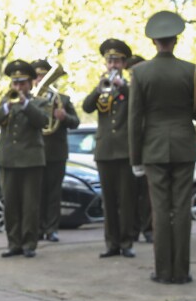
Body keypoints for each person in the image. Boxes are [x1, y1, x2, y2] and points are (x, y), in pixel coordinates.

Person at [128, 11, 196, 284]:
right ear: (175, 40)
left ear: (154, 43)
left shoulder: (140, 73)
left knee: (161, 211)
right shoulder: (191, 70)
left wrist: (135, 157)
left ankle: (163, 271)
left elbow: (134, 119)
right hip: (183, 148)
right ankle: (182, 271)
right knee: (182, 209)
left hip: (153, 150)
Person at [81, 39, 137, 258]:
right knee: (109, 201)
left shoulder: (131, 88)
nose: (112, 65)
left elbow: (139, 106)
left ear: (124, 64)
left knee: (126, 200)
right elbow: (86, 106)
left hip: (124, 150)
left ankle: (126, 242)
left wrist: (125, 88)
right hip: (105, 151)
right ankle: (111, 243)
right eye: (109, 61)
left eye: (116, 61)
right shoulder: (102, 87)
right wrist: (98, 89)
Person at [0, 60, 48, 258]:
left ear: (30, 83)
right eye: (15, 83)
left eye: (22, 83)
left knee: (30, 205)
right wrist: (6, 108)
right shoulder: (4, 102)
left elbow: (43, 121)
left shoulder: (39, 101)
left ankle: (29, 244)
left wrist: (25, 104)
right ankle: (13, 243)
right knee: (10, 204)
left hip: (31, 160)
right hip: (8, 159)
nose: (18, 87)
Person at [31, 58, 80, 243]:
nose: (40, 80)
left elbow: (75, 123)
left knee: (53, 193)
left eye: (44, 76)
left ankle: (52, 229)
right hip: (35, 152)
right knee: (36, 193)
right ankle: (36, 229)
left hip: (56, 152)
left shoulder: (63, 99)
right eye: (37, 76)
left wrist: (64, 116)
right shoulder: (29, 100)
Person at [126, 54, 153, 244]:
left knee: (148, 194)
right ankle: (132, 229)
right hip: (127, 149)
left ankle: (148, 228)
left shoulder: (150, 90)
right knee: (131, 194)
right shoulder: (122, 90)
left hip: (148, 147)